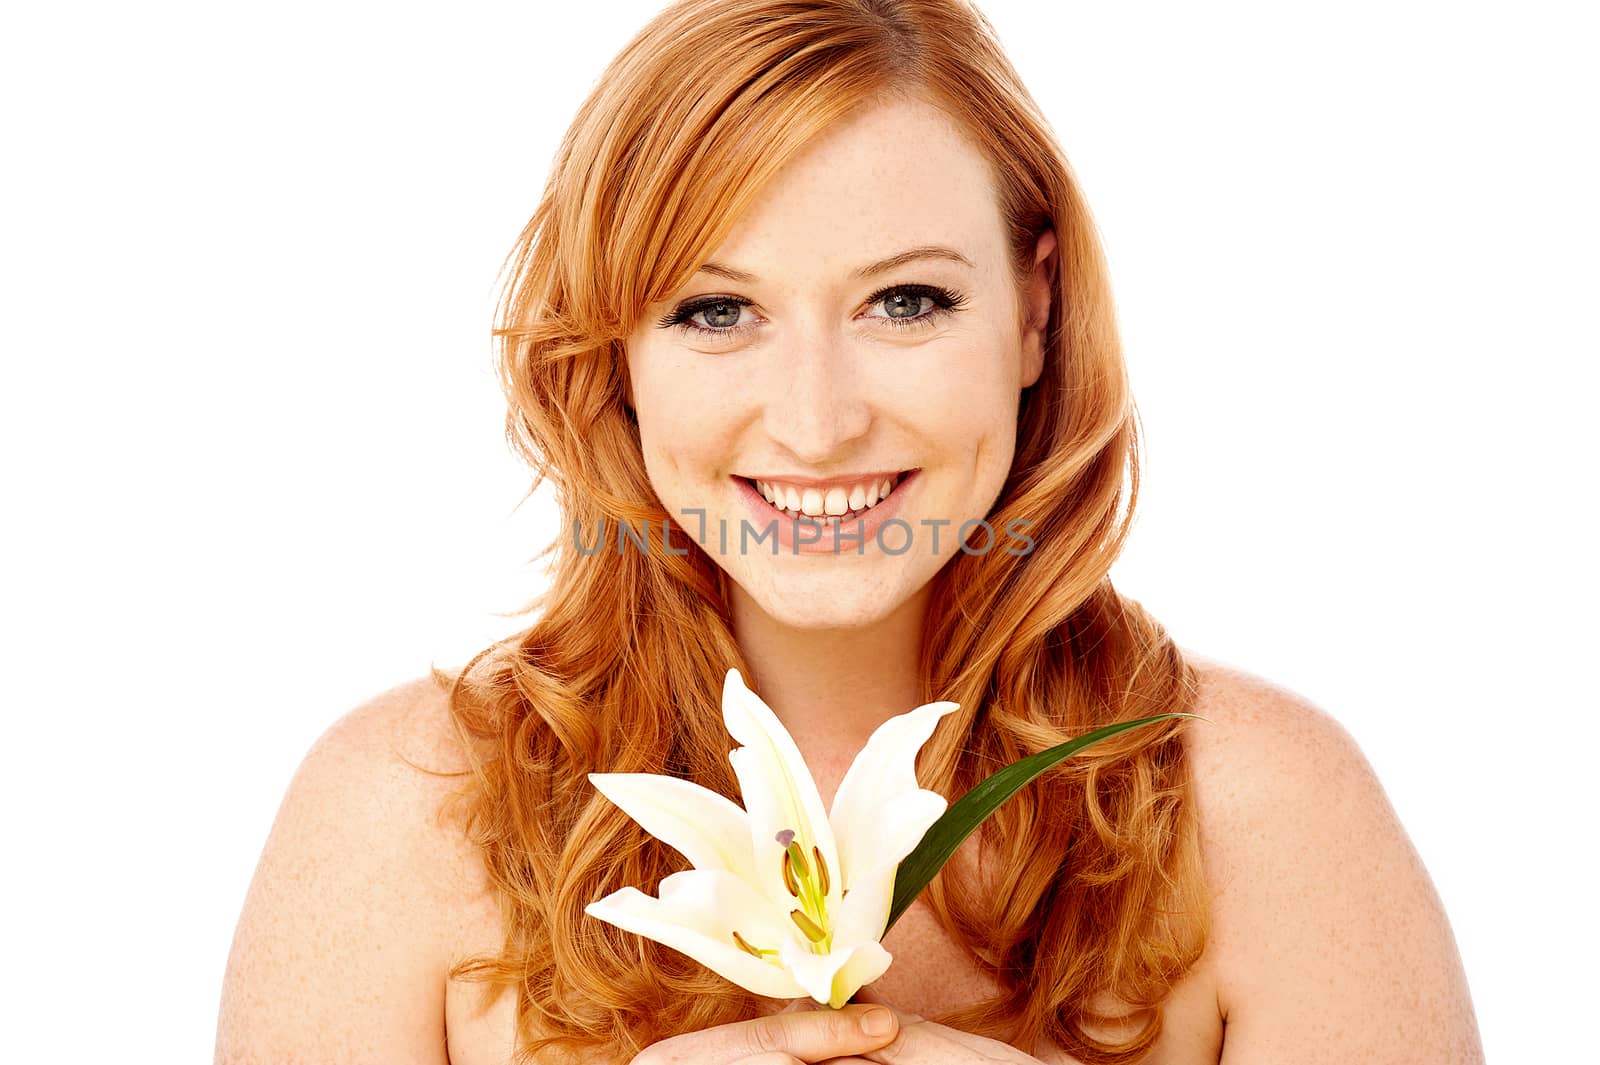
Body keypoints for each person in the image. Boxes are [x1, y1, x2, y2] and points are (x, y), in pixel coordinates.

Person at [214, 1, 1485, 1062]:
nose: (817, 426)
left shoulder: (1263, 815)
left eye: (906, 299)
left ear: (1035, 310)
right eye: (715, 311)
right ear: (614, 350)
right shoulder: (402, 815)